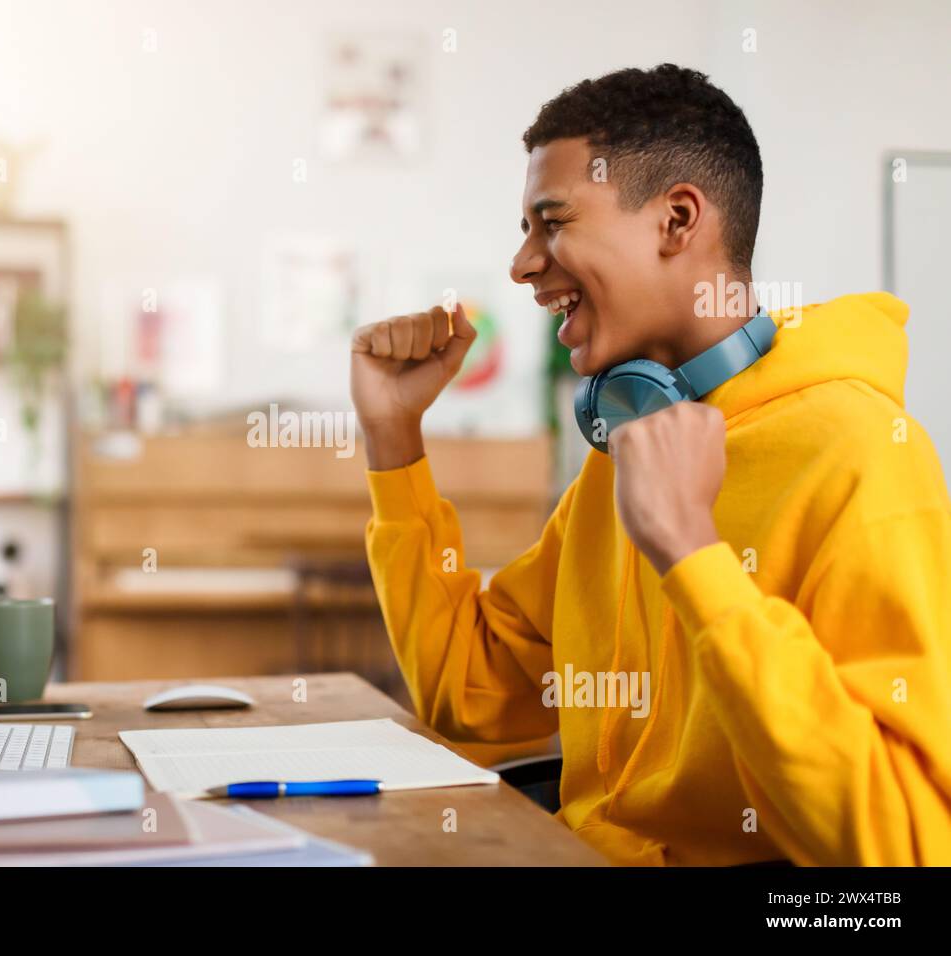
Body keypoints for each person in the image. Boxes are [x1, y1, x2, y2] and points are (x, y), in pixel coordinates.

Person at [350, 63, 951, 865]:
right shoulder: (628, 446)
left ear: (676, 219)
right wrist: (395, 438)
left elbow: (908, 847)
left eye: (551, 221)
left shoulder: (859, 455)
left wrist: (694, 558)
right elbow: (471, 691)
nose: (524, 265)